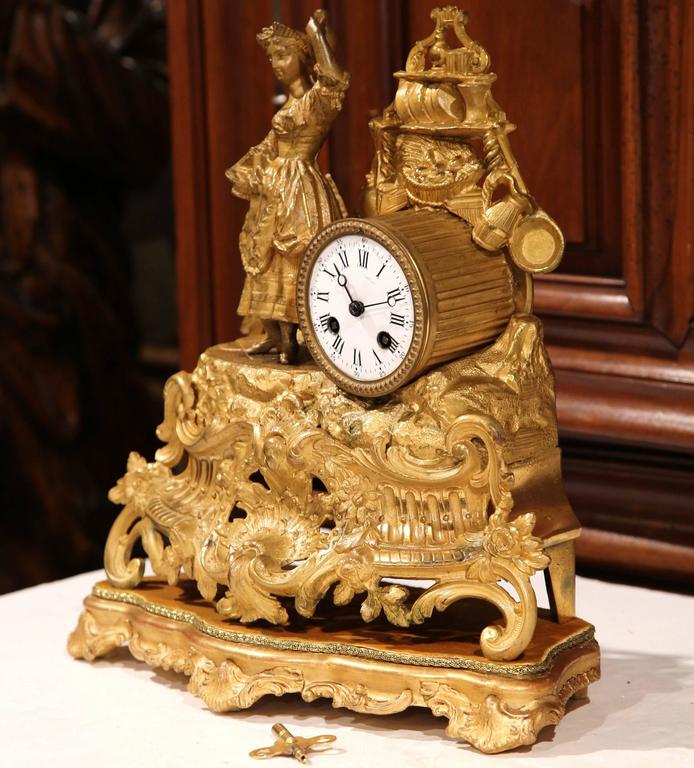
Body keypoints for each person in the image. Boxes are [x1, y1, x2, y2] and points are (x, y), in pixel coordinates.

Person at [226, 10, 348, 364]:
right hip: (274, 187)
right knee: (262, 257)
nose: (276, 64)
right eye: (272, 58)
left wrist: (316, 35)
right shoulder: (291, 103)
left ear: (302, 57)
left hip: (299, 188)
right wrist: (254, 170)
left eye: (283, 55)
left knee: (295, 255)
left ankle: (295, 336)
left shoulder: (316, 101)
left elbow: (335, 81)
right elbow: (270, 144)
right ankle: (273, 333)